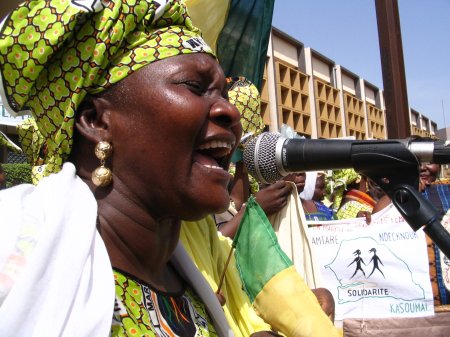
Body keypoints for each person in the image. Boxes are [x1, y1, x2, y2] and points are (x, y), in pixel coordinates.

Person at [0, 1, 286, 336]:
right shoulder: (14, 249)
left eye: (223, 93)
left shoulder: (192, 291)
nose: (230, 111)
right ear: (96, 120)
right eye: (194, 87)